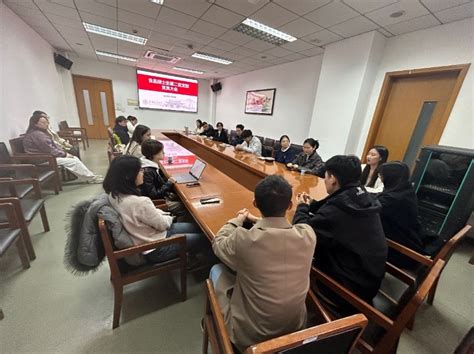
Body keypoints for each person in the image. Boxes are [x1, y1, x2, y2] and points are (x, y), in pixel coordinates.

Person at [211, 175, 316, 351]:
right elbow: (283, 228)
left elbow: (218, 243)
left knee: (216, 269)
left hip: (249, 336)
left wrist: (239, 219)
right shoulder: (308, 235)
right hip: (295, 328)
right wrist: (257, 220)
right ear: (290, 206)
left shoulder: (243, 239)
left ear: (255, 203)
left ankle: (215, 324)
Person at [293, 155, 387, 314]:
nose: (324, 180)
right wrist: (312, 205)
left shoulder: (337, 210)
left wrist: (302, 207)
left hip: (346, 290)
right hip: (368, 280)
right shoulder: (361, 195)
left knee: (293, 255)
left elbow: (302, 234)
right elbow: (333, 205)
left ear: (333, 179)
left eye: (326, 176)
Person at [104, 155, 209, 264]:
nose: (143, 173)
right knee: (204, 237)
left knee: (199, 228)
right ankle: (200, 265)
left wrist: (161, 215)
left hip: (150, 236)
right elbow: (163, 224)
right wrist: (169, 217)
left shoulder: (113, 195)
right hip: (156, 248)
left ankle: (193, 256)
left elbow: (148, 217)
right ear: (128, 176)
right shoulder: (139, 203)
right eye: (140, 170)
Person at [23, 113, 103, 183]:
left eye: (47, 122)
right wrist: (65, 154)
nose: (46, 124)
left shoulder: (39, 132)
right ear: (35, 124)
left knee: (74, 158)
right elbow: (50, 149)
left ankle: (90, 177)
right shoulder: (37, 135)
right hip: (43, 159)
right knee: (73, 161)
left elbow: (53, 145)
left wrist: (64, 152)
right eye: (43, 122)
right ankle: (91, 178)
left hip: (48, 156)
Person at [377, 162, 426, 269]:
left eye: (381, 175)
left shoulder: (392, 199)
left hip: (399, 250)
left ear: (390, 177)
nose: (380, 178)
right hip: (410, 238)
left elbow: (372, 208)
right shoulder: (405, 189)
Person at [140, 140, 188, 220]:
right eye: (161, 151)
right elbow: (154, 195)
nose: (164, 153)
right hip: (156, 202)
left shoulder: (151, 165)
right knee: (184, 207)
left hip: (161, 197)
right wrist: (168, 183)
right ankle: (177, 226)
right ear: (153, 154)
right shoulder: (148, 171)